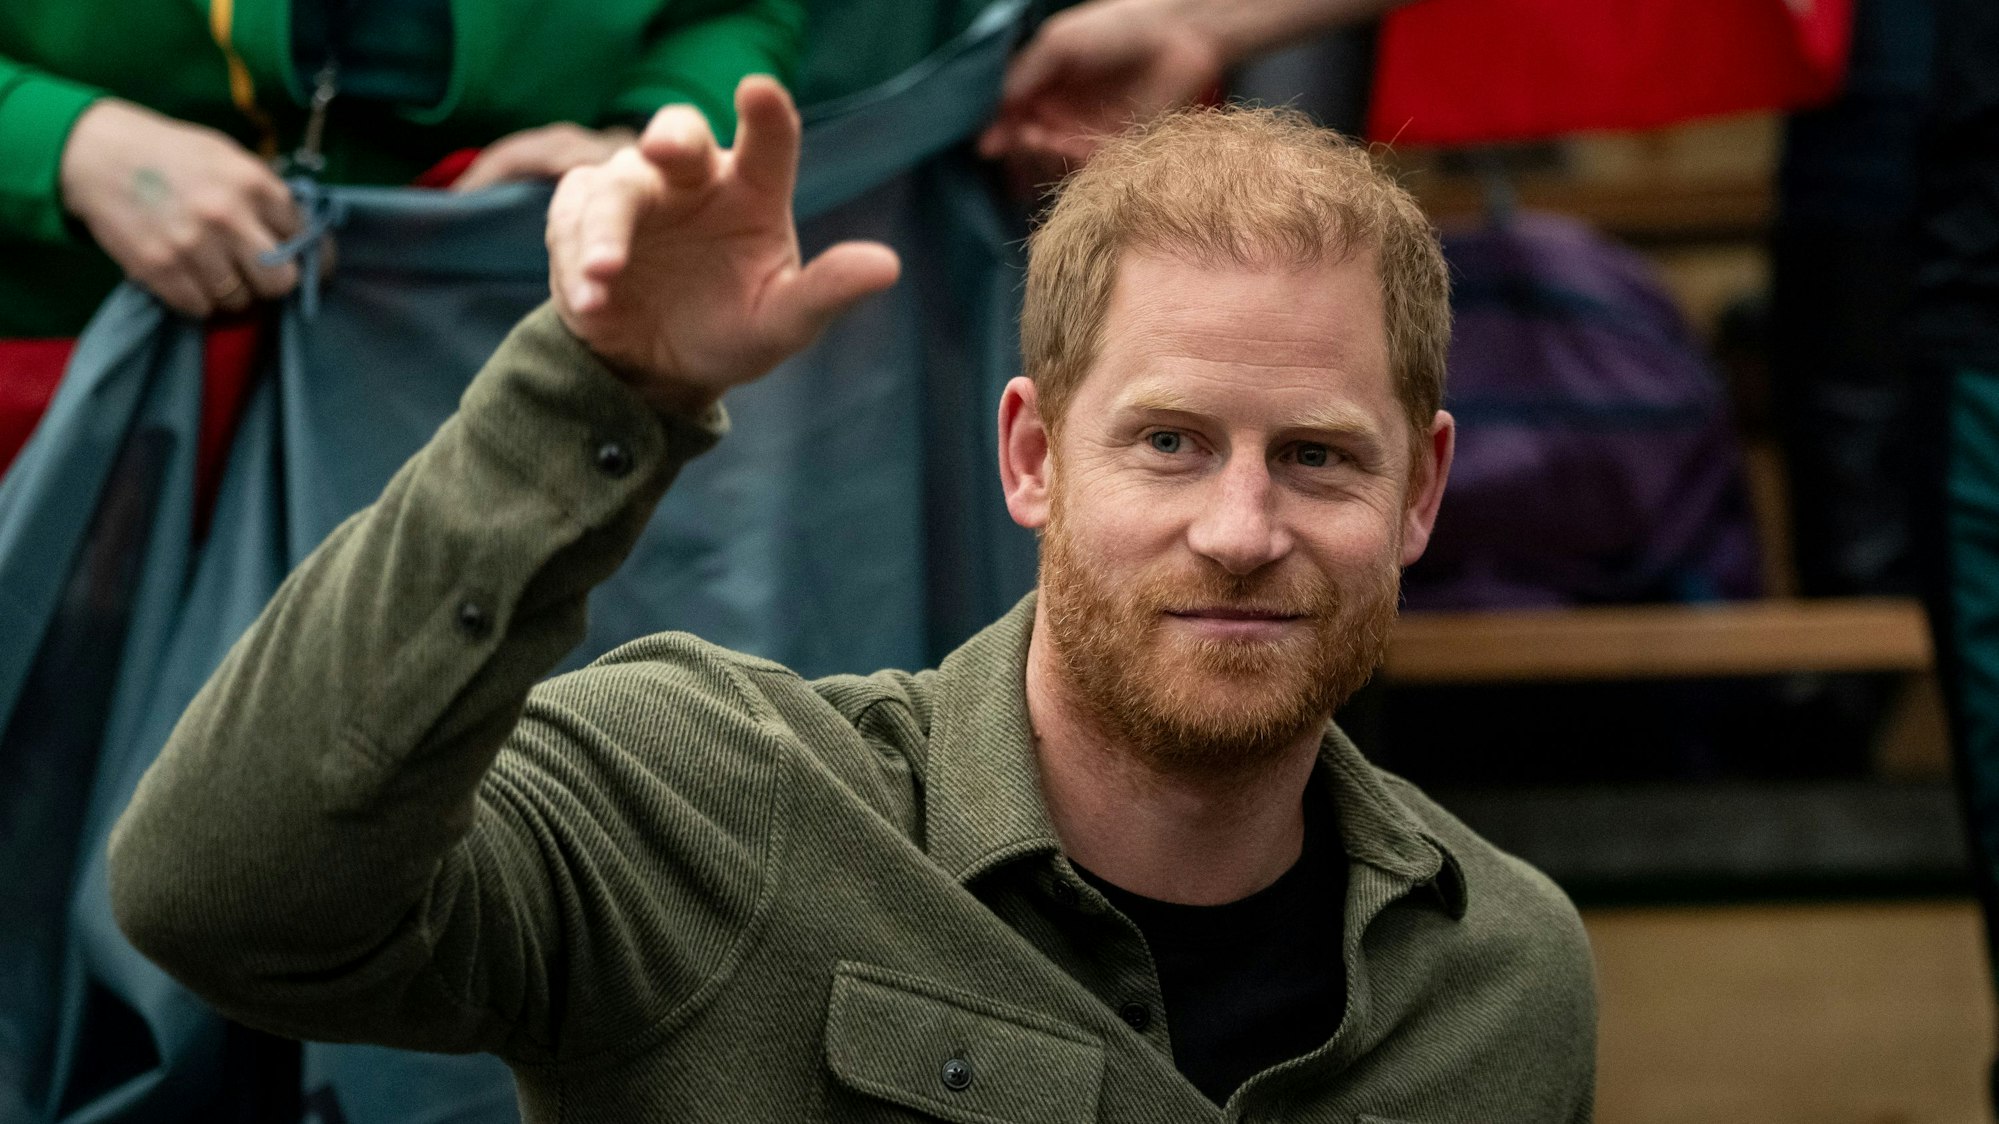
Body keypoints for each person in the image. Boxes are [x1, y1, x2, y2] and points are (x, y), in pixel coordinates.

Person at [105, 76, 1596, 1119]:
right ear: (1030, 457)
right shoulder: (707, 799)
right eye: (1169, 442)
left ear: (1420, 494)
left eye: (1320, 459)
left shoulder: (1503, 975)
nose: (1239, 528)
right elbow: (220, 897)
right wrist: (594, 391)